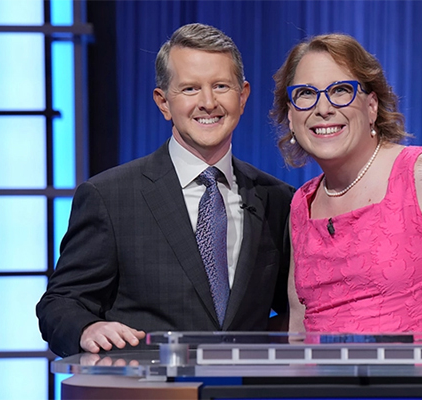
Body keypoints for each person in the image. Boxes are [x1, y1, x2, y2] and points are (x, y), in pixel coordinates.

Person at [36, 23, 294, 358]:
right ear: (163, 102)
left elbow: (295, 307)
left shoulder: (276, 198)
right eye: (189, 89)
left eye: (220, 86)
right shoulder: (110, 197)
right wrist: (88, 328)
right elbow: (60, 304)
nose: (208, 102)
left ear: (242, 96)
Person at [269, 33, 422, 336]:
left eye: (341, 90)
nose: (323, 108)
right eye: (306, 93)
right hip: (324, 383)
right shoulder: (302, 204)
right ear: (291, 114)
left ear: (371, 106)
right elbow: (299, 323)